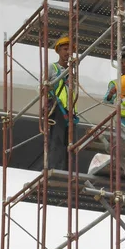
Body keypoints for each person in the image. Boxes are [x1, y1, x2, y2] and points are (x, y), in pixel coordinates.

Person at [47, 35, 78, 170]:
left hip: (70, 111)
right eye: (65, 49)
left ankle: (69, 171)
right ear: (58, 50)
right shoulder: (52, 68)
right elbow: (42, 88)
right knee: (57, 140)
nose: (68, 52)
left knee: (70, 143)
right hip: (56, 107)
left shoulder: (73, 71)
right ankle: (54, 167)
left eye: (70, 49)